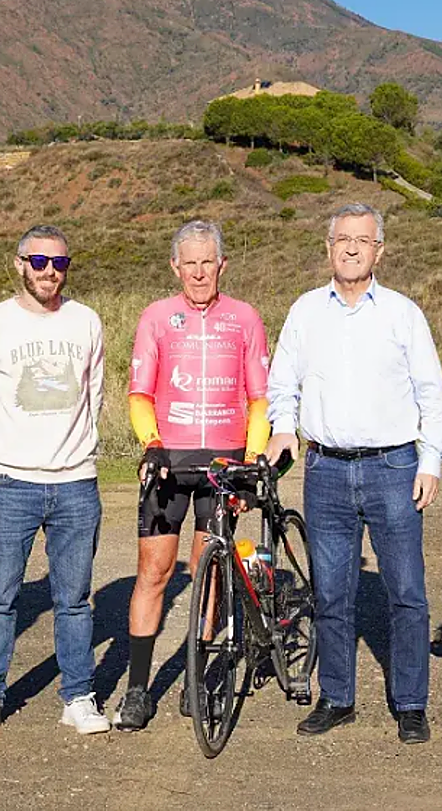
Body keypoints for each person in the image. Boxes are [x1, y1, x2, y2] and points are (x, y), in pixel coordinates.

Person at [265, 203, 442, 744]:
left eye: (362, 240)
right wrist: (283, 427)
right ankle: (338, 697)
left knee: (407, 592)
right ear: (328, 246)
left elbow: (431, 391)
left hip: (393, 467)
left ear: (379, 251)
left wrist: (431, 460)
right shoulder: (304, 312)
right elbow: (283, 384)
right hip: (324, 469)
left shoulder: (401, 313)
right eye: (342, 238)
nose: (350, 248)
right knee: (331, 594)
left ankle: (411, 703)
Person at [113, 220, 271, 730]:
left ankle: (197, 678)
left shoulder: (245, 318)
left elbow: (259, 399)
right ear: (174, 266)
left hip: (223, 463)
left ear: (222, 264)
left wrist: (251, 460)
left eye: (208, 262)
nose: (199, 272)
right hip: (169, 462)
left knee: (209, 575)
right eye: (190, 262)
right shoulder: (157, 317)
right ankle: (138, 689)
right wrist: (151, 444)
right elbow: (140, 393)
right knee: (154, 573)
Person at [0, 225, 108, 738]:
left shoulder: (86, 321)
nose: (50, 271)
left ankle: (79, 695)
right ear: (19, 262)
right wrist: (8, 448)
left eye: (60, 263)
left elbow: (95, 394)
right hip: (10, 483)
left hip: (75, 483)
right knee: (0, 596)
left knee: (74, 598)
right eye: (40, 261)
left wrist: (74, 452)